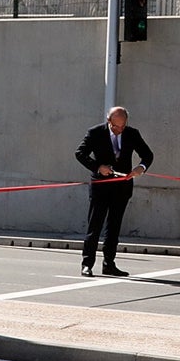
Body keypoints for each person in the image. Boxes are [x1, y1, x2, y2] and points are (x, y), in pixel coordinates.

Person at [74, 105, 153, 278]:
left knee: (114, 227)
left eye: (123, 126)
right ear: (109, 121)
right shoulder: (95, 133)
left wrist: (141, 167)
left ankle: (109, 263)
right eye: (116, 126)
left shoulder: (132, 133)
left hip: (122, 187)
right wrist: (98, 167)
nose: (120, 130)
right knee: (95, 226)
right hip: (101, 187)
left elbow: (148, 155)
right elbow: (80, 153)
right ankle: (87, 264)